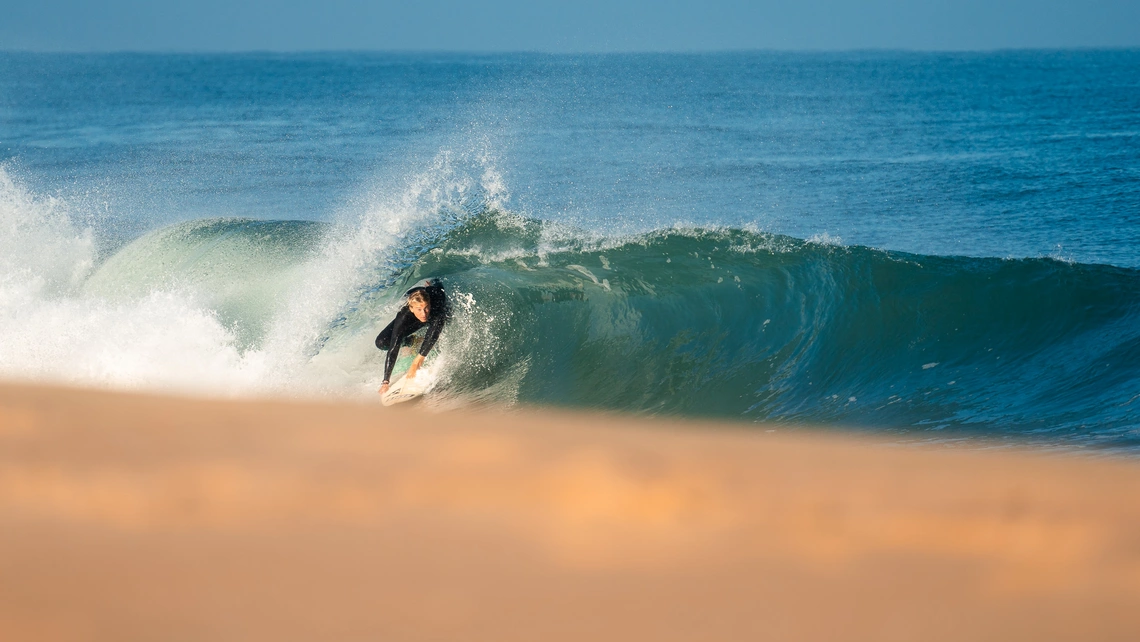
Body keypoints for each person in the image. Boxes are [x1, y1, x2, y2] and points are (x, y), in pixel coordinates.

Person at [375, 279, 449, 395]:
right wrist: (386, 381)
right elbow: (393, 347)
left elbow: (432, 335)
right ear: (412, 308)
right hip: (415, 304)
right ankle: (411, 340)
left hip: (437, 295)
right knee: (381, 342)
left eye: (426, 308)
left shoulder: (435, 309)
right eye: (419, 310)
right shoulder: (404, 315)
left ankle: (430, 286)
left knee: (440, 319)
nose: (424, 313)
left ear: (429, 305)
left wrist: (416, 362)